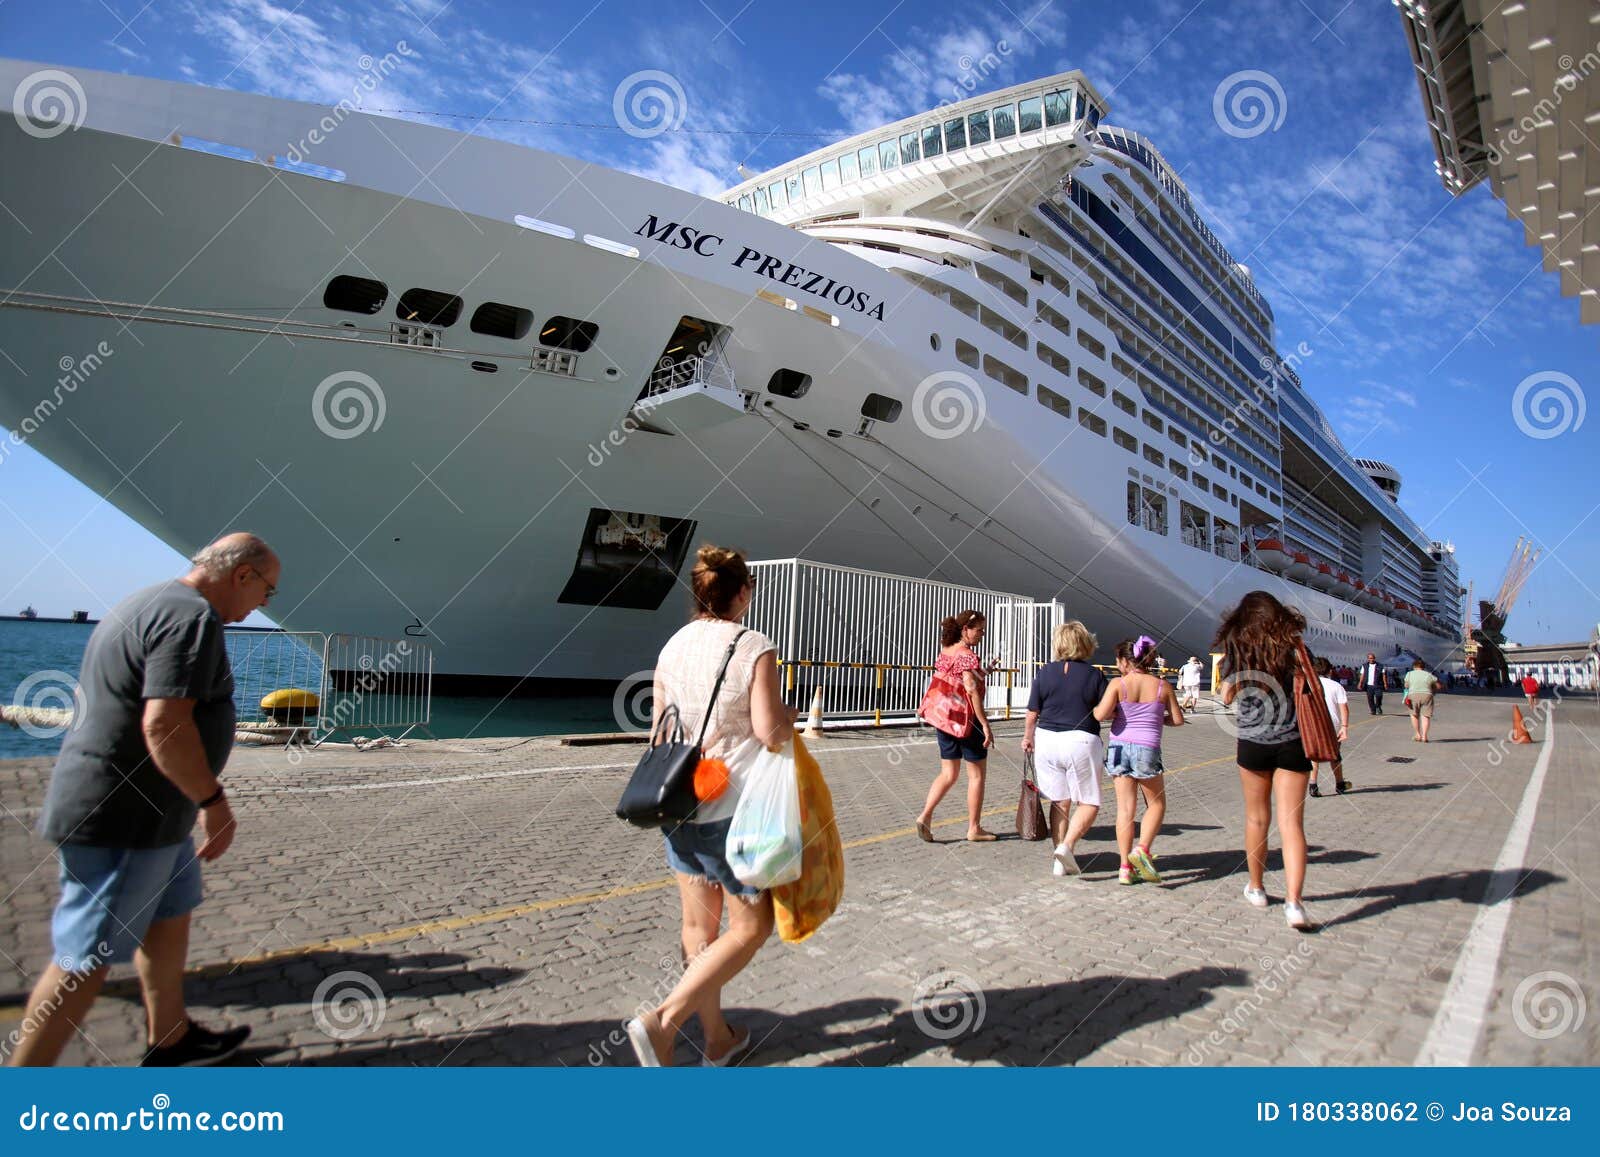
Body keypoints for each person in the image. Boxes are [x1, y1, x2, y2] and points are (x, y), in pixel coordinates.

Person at [9, 533, 278, 1067]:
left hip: (155, 816)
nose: (263, 606)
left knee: (170, 915)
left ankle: (171, 1038)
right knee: (83, 959)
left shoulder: (144, 601)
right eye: (266, 592)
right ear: (242, 575)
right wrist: (213, 802)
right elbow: (164, 724)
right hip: (125, 817)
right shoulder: (192, 619)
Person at [626, 545, 795, 1068]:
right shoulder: (754, 645)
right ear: (742, 592)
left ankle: (718, 1039)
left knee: (699, 928)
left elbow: (660, 726)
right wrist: (791, 716)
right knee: (752, 927)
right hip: (732, 810)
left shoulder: (672, 646)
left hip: (678, 801)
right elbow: (768, 731)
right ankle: (665, 1022)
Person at [1214, 590, 1314, 931]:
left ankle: (1256, 888)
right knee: (1292, 825)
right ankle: (1294, 904)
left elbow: (1227, 695)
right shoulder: (1297, 649)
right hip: (1293, 741)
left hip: (1253, 742)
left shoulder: (1240, 650)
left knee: (1257, 818)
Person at [1093, 634, 1184, 885]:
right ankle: (1142, 850)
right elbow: (1177, 719)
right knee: (1156, 804)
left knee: (1125, 810)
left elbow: (1100, 715)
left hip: (1119, 747)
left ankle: (1124, 868)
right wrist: (1158, 719)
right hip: (1147, 748)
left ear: (1125, 661)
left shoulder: (1118, 684)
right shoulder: (1162, 686)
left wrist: (1106, 711)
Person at [1021, 621, 1108, 877]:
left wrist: (1028, 738)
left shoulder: (1044, 672)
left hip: (1047, 740)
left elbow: (1031, 713)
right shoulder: (1095, 675)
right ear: (1085, 644)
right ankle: (1067, 846)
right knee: (1089, 801)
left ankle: (1059, 858)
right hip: (1081, 741)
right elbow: (1105, 712)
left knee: (1059, 801)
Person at [916, 609, 997, 843]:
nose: (982, 634)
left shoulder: (947, 651)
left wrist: (984, 672)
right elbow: (970, 689)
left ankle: (925, 816)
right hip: (968, 722)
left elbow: (960, 681)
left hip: (945, 719)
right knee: (976, 776)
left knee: (948, 773)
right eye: (979, 629)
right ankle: (974, 828)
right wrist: (985, 723)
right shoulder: (967, 654)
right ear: (965, 630)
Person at [1307, 655, 1350, 797]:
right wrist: (1344, 727)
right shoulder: (1336, 686)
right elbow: (1344, 708)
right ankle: (1339, 784)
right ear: (1330, 670)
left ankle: (1313, 785)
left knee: (1314, 756)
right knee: (1335, 756)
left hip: (1312, 726)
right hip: (1332, 727)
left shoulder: (1308, 685)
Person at [1404, 659, 1441, 743]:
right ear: (1423, 667)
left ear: (1414, 666)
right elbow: (1438, 686)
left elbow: (1406, 686)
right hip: (1427, 695)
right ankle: (1424, 736)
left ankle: (1418, 734)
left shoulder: (1409, 674)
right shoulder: (1428, 674)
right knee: (1425, 716)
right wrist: (1433, 690)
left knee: (1414, 715)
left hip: (1413, 695)